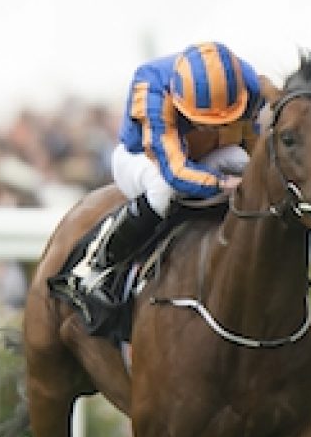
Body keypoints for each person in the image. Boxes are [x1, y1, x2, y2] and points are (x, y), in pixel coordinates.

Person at [56, 42, 267, 331]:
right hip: (144, 158)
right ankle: (94, 268)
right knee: (163, 192)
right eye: (202, 120)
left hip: (207, 155)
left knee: (244, 164)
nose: (212, 126)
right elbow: (175, 172)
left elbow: (255, 151)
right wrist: (221, 183)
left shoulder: (250, 83)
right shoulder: (151, 86)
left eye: (224, 119)